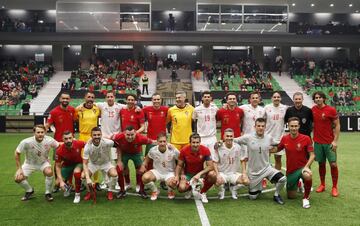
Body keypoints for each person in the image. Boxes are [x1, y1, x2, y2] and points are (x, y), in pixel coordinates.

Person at [233, 118, 287, 205]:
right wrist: (221, 142)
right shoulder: (248, 137)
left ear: (265, 127)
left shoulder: (269, 137)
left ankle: (276, 195)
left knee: (282, 179)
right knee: (252, 197)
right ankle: (258, 186)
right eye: (258, 126)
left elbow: (277, 143)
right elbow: (235, 140)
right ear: (255, 127)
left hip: (267, 169)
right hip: (254, 173)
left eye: (262, 126)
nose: (260, 128)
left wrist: (287, 141)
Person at [275, 117, 315, 208]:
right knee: (291, 196)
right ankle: (299, 184)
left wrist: (306, 167)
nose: (294, 128)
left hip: (302, 168)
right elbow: (277, 149)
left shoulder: (306, 138)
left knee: (307, 175)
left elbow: (312, 155)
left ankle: (306, 198)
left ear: (299, 126)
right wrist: (265, 149)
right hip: (291, 171)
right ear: (288, 126)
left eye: (296, 126)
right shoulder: (284, 139)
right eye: (292, 126)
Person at [14, 125, 59, 201]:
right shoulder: (26, 142)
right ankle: (29, 191)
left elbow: (58, 145)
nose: (40, 134)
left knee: (49, 172)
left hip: (43, 162)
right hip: (29, 163)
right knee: (18, 178)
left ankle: (48, 193)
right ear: (34, 133)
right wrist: (19, 169)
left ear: (45, 132)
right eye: (38, 132)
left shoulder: (49, 140)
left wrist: (72, 142)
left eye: (42, 132)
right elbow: (17, 152)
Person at [112, 126, 156, 199]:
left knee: (142, 169)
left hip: (136, 153)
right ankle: (122, 190)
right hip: (124, 153)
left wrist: (144, 162)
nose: (130, 137)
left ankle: (141, 189)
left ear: (135, 133)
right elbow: (112, 141)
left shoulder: (141, 138)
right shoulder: (119, 136)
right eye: (128, 135)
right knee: (119, 169)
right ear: (124, 134)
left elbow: (153, 142)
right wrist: (119, 161)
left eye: (132, 135)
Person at [311, 91, 340, 197]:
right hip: (318, 142)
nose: (317, 99)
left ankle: (334, 187)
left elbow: (337, 125)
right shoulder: (313, 110)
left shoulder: (331, 110)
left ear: (324, 99)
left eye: (319, 97)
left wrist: (335, 141)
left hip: (329, 142)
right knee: (321, 164)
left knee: (333, 164)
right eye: (316, 97)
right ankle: (322, 184)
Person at [174, 133, 217, 203]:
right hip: (188, 174)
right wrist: (179, 175)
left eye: (197, 142)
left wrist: (199, 174)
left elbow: (210, 166)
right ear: (190, 142)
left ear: (200, 142)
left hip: (200, 175)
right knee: (181, 188)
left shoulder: (205, 150)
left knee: (213, 175)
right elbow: (179, 165)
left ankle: (203, 192)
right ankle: (190, 188)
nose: (195, 144)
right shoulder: (184, 150)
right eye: (193, 142)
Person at [140, 133, 179, 200]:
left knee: (174, 183)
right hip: (157, 172)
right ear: (157, 142)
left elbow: (181, 159)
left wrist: (175, 148)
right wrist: (143, 166)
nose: (162, 143)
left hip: (169, 173)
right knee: (145, 178)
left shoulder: (171, 149)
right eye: (160, 141)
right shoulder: (153, 150)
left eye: (164, 141)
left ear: (167, 141)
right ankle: (155, 191)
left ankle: (170, 191)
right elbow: (146, 160)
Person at [82, 127, 118, 201]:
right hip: (93, 164)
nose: (97, 136)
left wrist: (118, 160)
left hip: (106, 163)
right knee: (83, 176)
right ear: (91, 136)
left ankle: (110, 190)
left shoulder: (108, 142)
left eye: (98, 134)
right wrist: (88, 179)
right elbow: (85, 163)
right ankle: (90, 191)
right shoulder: (87, 147)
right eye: (94, 135)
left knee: (114, 174)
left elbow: (118, 145)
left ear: (101, 135)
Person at [75, 92, 101, 189]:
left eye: (92, 97)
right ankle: (83, 181)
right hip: (83, 136)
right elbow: (73, 117)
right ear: (85, 98)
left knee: (95, 159)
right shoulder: (79, 109)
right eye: (88, 97)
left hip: (94, 137)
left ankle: (96, 181)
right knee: (84, 160)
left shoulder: (97, 109)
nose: (90, 99)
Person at [213, 128, 249, 200]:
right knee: (215, 179)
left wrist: (244, 173)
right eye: (227, 136)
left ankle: (234, 188)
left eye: (231, 136)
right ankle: (221, 190)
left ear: (233, 137)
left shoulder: (238, 147)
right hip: (222, 173)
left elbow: (242, 160)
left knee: (246, 181)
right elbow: (215, 162)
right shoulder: (219, 147)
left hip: (233, 174)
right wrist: (217, 174)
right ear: (223, 137)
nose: (229, 138)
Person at [120, 94, 145, 190]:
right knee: (124, 166)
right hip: (124, 143)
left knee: (138, 166)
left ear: (135, 101)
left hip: (136, 143)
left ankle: (138, 184)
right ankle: (127, 183)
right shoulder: (122, 110)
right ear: (126, 100)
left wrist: (134, 133)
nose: (130, 101)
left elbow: (143, 126)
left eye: (132, 100)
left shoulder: (139, 111)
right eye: (129, 99)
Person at [55, 131, 85, 203]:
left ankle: (77, 194)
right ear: (62, 139)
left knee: (76, 172)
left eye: (70, 138)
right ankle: (69, 186)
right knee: (57, 183)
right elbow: (58, 167)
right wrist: (62, 182)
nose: (68, 140)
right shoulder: (59, 151)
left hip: (78, 163)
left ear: (73, 138)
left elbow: (89, 145)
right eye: (66, 139)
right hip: (67, 166)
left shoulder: (78, 143)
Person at [264, 91, 287, 171]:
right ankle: (263, 179)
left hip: (279, 138)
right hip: (267, 137)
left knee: (278, 159)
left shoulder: (284, 108)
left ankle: (278, 178)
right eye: (274, 97)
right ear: (271, 98)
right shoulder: (266, 107)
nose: (276, 98)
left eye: (278, 97)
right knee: (265, 160)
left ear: (280, 98)